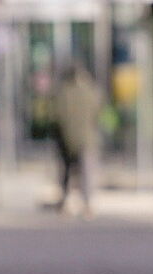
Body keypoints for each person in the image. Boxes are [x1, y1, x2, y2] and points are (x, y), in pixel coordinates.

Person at [52, 65, 100, 215]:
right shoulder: (92, 92)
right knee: (87, 173)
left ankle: (64, 202)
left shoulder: (62, 93)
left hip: (66, 137)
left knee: (66, 172)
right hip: (86, 138)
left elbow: (56, 115)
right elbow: (97, 112)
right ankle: (87, 204)